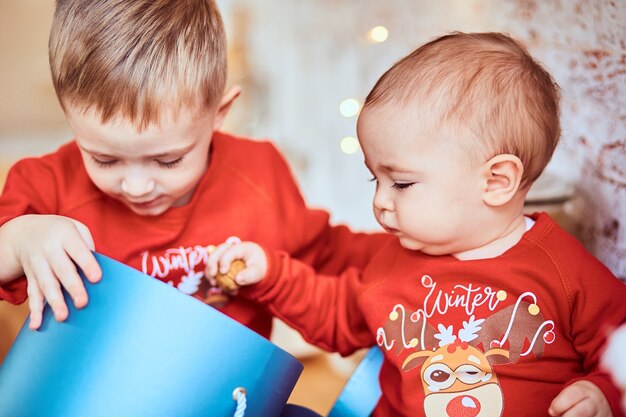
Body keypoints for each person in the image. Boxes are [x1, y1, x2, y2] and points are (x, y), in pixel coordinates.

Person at [206, 32, 626, 417]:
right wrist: (271, 274)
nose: (380, 202)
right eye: (376, 179)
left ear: (496, 182)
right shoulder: (395, 261)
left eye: (401, 183)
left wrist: (605, 391)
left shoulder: (563, 271)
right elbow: (335, 315)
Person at [0, 0, 388, 342]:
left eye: (168, 160)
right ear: (70, 115)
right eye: (105, 159)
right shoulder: (46, 187)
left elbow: (330, 253)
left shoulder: (259, 172)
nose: (136, 186)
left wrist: (430, 251)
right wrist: (20, 240)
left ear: (219, 113)